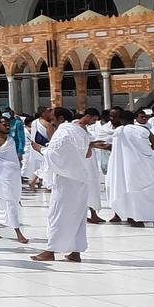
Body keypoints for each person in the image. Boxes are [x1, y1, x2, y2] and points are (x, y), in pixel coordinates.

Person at [30, 107, 90, 263]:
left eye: (52, 119)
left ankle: (50, 251)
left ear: (60, 118)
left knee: (57, 215)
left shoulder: (63, 131)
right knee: (77, 216)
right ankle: (75, 252)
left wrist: (40, 149)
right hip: (80, 179)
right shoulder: (80, 131)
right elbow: (86, 153)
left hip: (66, 181)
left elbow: (55, 154)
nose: (51, 122)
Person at [107, 109, 154, 227]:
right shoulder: (144, 129)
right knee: (148, 191)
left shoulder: (119, 131)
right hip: (146, 164)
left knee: (133, 192)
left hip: (130, 166)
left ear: (121, 119)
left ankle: (138, 220)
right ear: (134, 119)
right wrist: (143, 153)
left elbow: (114, 147)